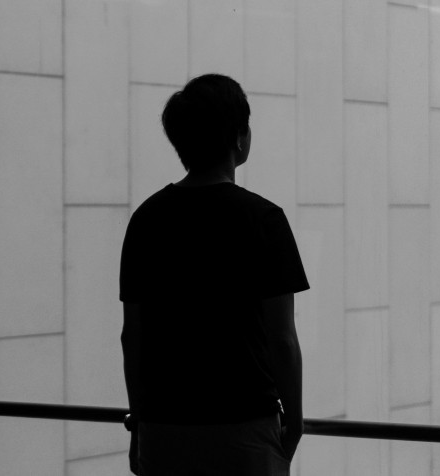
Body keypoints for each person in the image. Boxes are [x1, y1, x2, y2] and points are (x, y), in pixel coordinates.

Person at [119, 74, 309, 475]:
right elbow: (282, 340)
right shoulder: (264, 219)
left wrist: (140, 423)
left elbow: (132, 335)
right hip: (245, 428)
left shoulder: (146, 220)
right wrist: (294, 423)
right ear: (239, 137)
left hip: (165, 428)